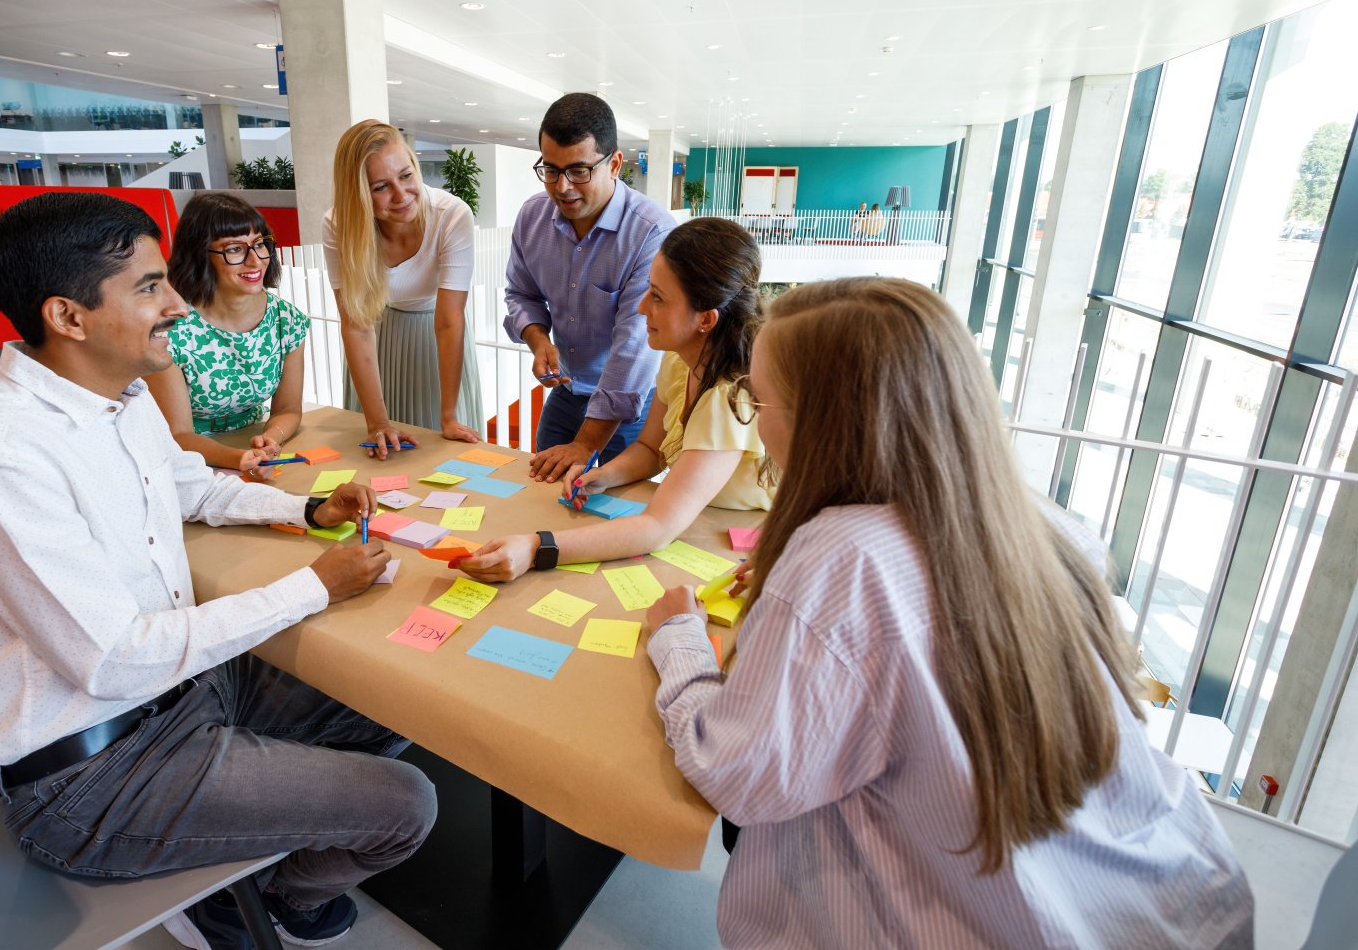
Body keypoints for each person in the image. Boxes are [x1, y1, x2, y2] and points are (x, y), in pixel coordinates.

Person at [640, 278, 1252, 949]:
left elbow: (736, 771)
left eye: (760, 401)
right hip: (1175, 894)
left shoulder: (839, 559)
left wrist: (679, 642)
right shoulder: (1048, 525)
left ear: (823, 420)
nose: (755, 421)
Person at [0, 192, 435, 949]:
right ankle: (255, 899)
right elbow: (116, 658)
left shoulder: (118, 397)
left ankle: (251, 835)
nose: (176, 304)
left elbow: (189, 481)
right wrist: (314, 584)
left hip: (181, 696)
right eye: (150, 287)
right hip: (92, 778)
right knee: (407, 803)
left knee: (395, 691)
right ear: (68, 316)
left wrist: (307, 510)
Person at [460, 218, 769, 582]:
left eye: (657, 297)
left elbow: (657, 527)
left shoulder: (727, 400)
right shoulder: (678, 361)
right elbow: (651, 450)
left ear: (706, 319)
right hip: (705, 523)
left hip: (736, 544)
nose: (641, 308)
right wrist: (604, 475)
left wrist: (535, 547)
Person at [505, 92, 677, 481]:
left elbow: (635, 347)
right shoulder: (533, 216)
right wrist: (538, 338)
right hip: (568, 390)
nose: (562, 187)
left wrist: (585, 444)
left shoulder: (653, 232)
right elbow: (521, 294)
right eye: (550, 169)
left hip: (630, 403)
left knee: (620, 514)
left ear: (614, 164)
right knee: (541, 493)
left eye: (579, 171)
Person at [323, 120, 483, 460]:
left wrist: (450, 416)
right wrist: (377, 421)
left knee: (442, 458)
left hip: (436, 339)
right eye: (381, 186)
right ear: (359, 193)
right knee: (381, 455)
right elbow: (356, 323)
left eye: (407, 176)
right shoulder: (338, 225)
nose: (401, 195)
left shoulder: (451, 215)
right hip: (378, 344)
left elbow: (449, 320)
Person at [145, 192, 309, 480]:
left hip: (247, 444)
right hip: (180, 459)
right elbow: (179, 433)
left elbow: (288, 408)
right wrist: (240, 459)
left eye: (260, 244)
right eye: (234, 249)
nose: (255, 260)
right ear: (200, 255)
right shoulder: (169, 329)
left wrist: (271, 438)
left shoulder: (287, 318)